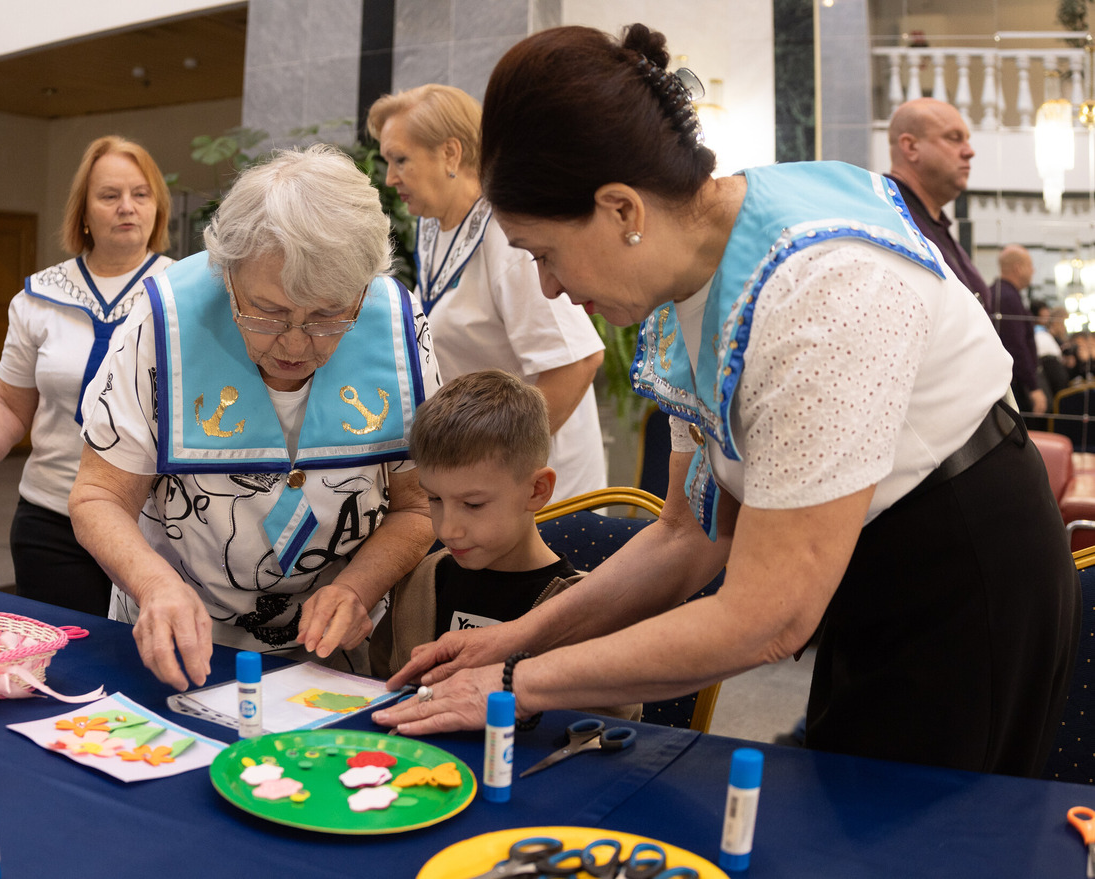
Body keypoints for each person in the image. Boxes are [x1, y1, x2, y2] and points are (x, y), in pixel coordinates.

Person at [373, 23, 1080, 778]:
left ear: (621, 210)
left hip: (964, 573)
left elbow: (767, 616)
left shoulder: (824, 290)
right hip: (863, 567)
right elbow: (687, 533)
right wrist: (515, 639)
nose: (549, 286)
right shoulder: (692, 279)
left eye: (545, 253)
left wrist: (513, 685)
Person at [67, 144, 439, 691]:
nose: (295, 343)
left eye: (327, 317)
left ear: (362, 292)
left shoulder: (398, 326)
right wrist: (154, 586)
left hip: (331, 652)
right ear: (229, 273)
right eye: (268, 313)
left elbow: (420, 505)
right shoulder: (162, 318)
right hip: (178, 635)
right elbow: (98, 496)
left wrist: (358, 586)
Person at [366, 84, 607, 502]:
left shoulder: (506, 236)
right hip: (480, 487)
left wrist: (494, 463)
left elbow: (578, 361)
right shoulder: (434, 228)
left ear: (451, 154)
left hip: (539, 492)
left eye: (400, 160)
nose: (390, 178)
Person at [367, 368, 639, 720]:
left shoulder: (582, 609)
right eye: (434, 499)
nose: (448, 529)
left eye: (473, 504)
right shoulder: (418, 584)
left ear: (537, 490)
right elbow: (380, 687)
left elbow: (610, 726)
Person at [0, 135, 174, 615]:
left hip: (157, 525)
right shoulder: (37, 297)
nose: (127, 207)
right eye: (109, 195)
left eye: (141, 194)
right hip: (51, 520)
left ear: (158, 208)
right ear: (84, 212)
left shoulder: (187, 296)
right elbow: (11, 407)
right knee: (61, 665)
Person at [886, 97, 991, 303]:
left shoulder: (930, 220)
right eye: (954, 138)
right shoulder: (889, 220)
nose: (969, 151)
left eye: (967, 140)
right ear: (911, 147)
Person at [986, 245, 1046, 416]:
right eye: (1030, 266)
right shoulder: (1007, 298)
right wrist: (1033, 387)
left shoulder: (1002, 293)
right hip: (1012, 387)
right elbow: (1016, 346)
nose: (1033, 271)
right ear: (1018, 268)